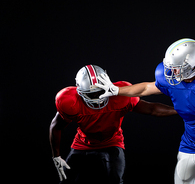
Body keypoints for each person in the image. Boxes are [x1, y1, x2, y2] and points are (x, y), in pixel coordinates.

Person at [96, 38, 195, 184]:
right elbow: (145, 88)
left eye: (178, 68)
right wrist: (116, 90)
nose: (173, 73)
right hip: (189, 146)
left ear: (194, 66)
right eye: (171, 68)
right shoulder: (169, 79)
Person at [49, 64, 177, 184]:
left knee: (115, 179)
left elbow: (151, 109)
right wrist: (56, 156)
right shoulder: (69, 101)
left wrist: (180, 110)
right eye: (92, 94)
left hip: (112, 142)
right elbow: (56, 127)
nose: (97, 98)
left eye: (100, 92)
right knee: (65, 180)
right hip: (83, 143)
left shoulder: (120, 96)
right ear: (79, 92)